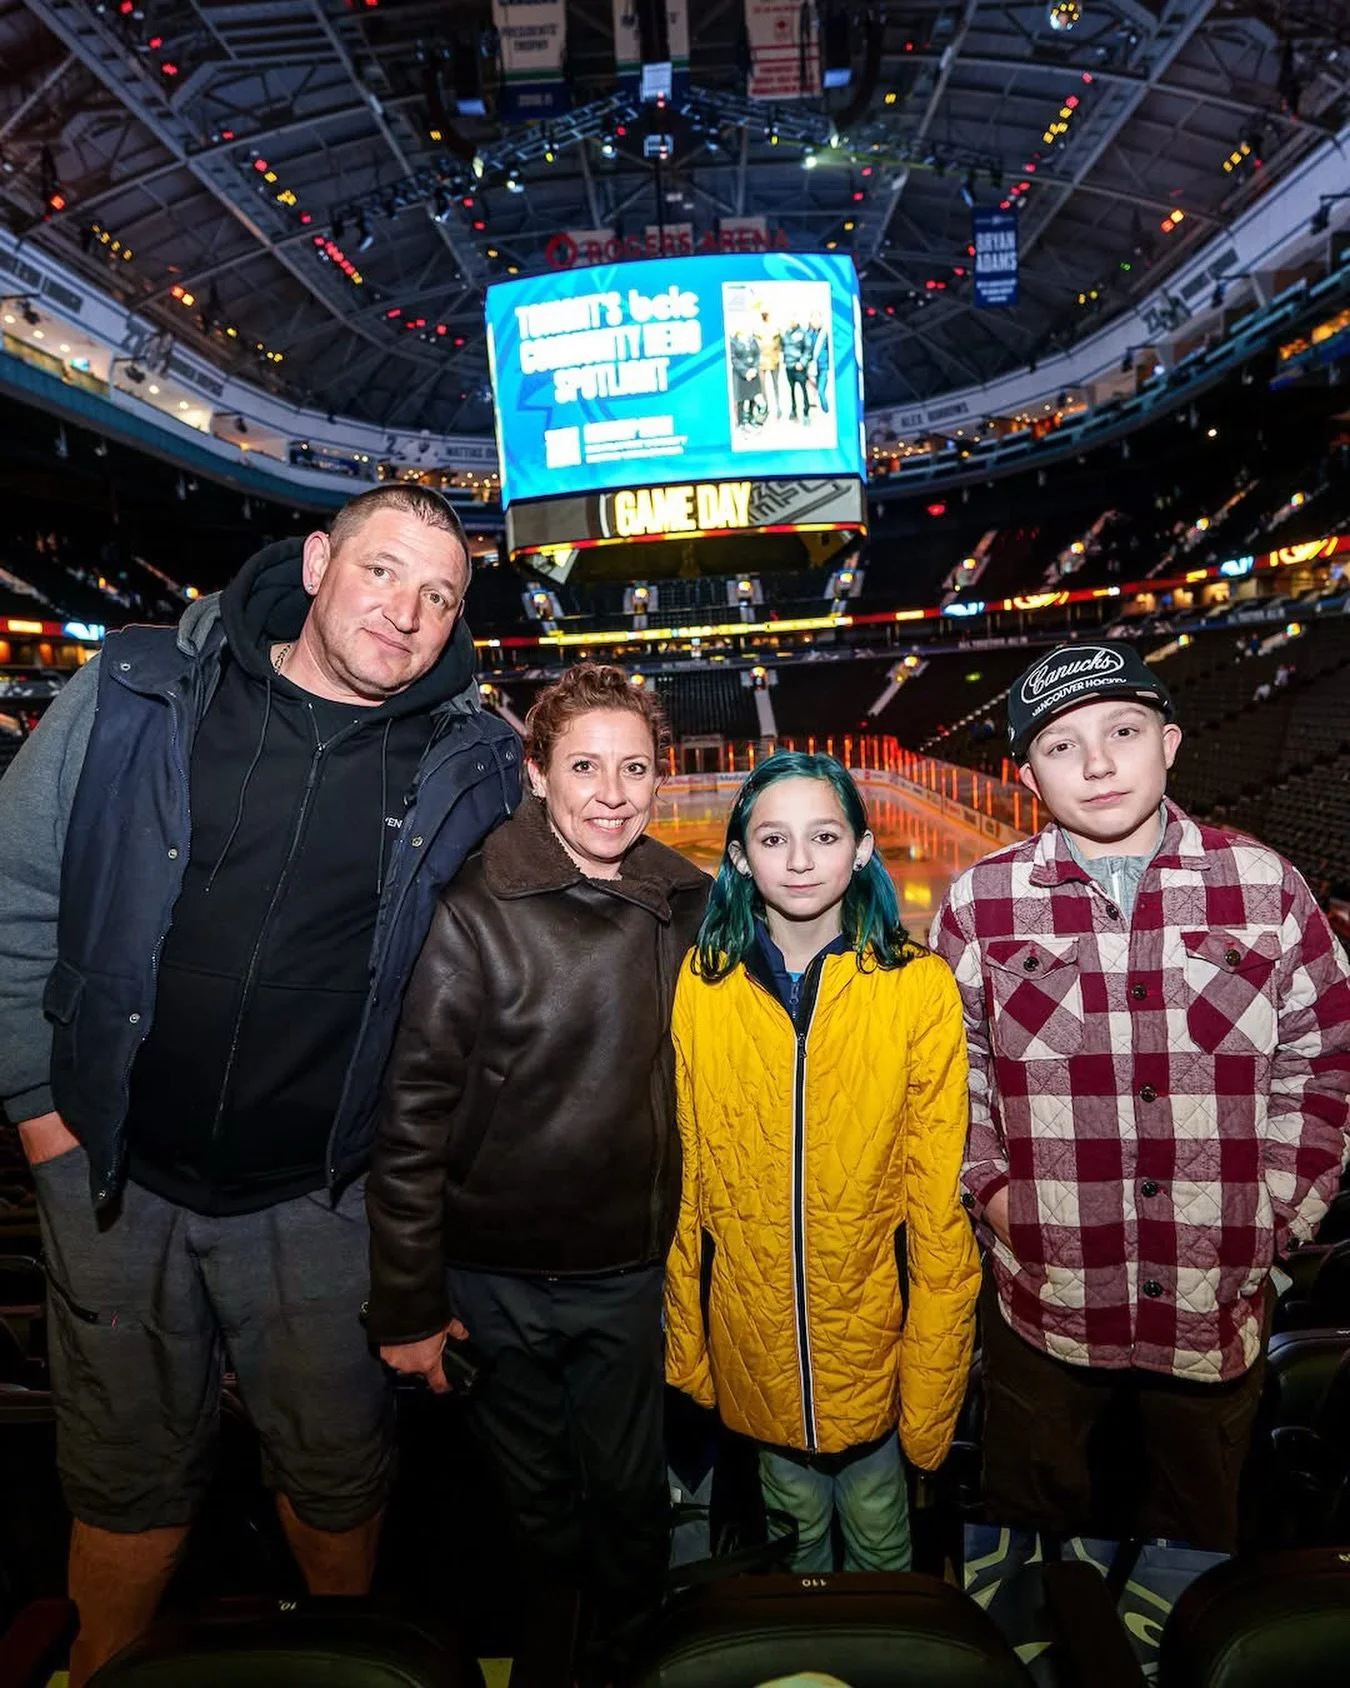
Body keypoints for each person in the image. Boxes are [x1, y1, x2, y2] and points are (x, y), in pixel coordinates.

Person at [0, 484, 520, 1686]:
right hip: (113, 1178)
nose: (408, 612)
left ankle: (334, 1668)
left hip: (324, 1199)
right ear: (318, 559)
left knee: (338, 1480)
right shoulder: (134, 687)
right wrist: (41, 1116)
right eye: (385, 573)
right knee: (125, 1484)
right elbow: (17, 888)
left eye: (440, 596)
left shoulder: (473, 759)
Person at [931, 640, 1350, 1553]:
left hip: (1214, 1301)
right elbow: (948, 1075)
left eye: (1121, 731)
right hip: (1044, 1302)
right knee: (1032, 1539)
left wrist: (1277, 1216)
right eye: (1060, 745)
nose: (1096, 763)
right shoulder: (979, 900)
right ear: (1029, 771)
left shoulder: (1268, 886)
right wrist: (996, 1198)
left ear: (1170, 741)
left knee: (1198, 1549)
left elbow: (1323, 1061)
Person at [366, 663, 707, 1677]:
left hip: (627, 1266)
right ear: (537, 772)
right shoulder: (473, 908)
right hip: (496, 1276)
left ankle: (637, 1656)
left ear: (660, 776)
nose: (612, 792)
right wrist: (405, 1301)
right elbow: (413, 1116)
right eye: (586, 766)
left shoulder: (687, 900)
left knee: (631, 1498)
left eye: (634, 767)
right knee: (538, 1507)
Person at [665, 754, 980, 1573]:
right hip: (754, 1352)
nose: (800, 861)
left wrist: (933, 1381)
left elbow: (938, 1205)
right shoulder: (703, 988)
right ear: (739, 857)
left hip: (875, 1347)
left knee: (880, 1534)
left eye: (825, 835)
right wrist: (689, 1355)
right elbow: (689, 1188)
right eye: (774, 838)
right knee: (791, 1537)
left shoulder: (919, 989)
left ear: (864, 848)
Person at [730, 321, 762, 428]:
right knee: (741, 399)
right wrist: (745, 371)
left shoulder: (752, 340)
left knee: (753, 396)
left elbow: (757, 355)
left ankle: (752, 419)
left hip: (753, 372)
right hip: (740, 374)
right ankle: (741, 422)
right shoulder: (733, 342)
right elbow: (734, 358)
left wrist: (754, 369)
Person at [782, 318, 813, 422]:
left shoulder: (803, 333)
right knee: (791, 390)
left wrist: (802, 362)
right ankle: (793, 409)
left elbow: (808, 349)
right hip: (789, 366)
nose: (790, 322)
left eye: (792, 320)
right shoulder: (786, 333)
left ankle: (806, 411)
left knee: (803, 389)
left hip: (799, 366)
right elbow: (783, 347)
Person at [755, 310, 784, 421]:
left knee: (776, 385)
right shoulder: (757, 327)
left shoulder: (776, 327)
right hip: (761, 360)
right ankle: (765, 408)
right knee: (762, 386)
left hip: (774, 359)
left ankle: (778, 407)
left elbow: (780, 343)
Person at [808, 311, 830, 415]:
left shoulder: (825, 333)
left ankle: (826, 409)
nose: (816, 321)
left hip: (823, 365)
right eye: (813, 319)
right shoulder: (808, 334)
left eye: (817, 319)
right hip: (813, 366)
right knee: (816, 389)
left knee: (821, 390)